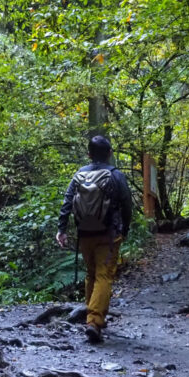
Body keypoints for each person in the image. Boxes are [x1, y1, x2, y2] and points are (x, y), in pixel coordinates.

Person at [55, 135, 132, 343]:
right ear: (110, 153)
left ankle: (93, 316)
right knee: (104, 275)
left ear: (89, 154)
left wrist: (62, 229)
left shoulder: (79, 174)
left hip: (85, 233)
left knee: (91, 274)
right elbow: (127, 205)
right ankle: (94, 321)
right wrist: (125, 229)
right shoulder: (115, 175)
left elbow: (67, 202)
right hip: (109, 235)